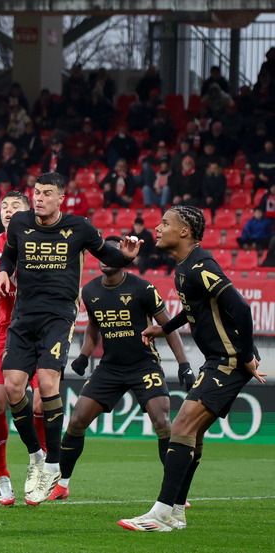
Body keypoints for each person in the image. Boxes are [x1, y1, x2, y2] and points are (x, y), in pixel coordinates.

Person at [0, 171, 142, 505]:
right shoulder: (20, 224)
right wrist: (3, 270)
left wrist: (126, 256)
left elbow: (108, 256)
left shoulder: (80, 227)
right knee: (13, 385)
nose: (39, 198)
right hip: (23, 315)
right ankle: (36, 458)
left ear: (61, 197)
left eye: (46, 193)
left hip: (58, 315)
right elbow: (9, 255)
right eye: (36, 192)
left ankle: (55, 464)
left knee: (46, 383)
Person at [119, 206, 266, 532]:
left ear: (185, 231)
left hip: (228, 361)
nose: (157, 228)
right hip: (219, 360)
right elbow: (193, 309)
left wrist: (243, 356)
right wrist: (164, 327)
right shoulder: (184, 268)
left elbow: (240, 307)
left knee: (182, 424)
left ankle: (160, 513)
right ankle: (175, 515)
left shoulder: (201, 266)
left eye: (166, 223)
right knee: (193, 435)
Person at [49, 236, 190, 502]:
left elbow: (167, 327)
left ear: (123, 258)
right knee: (77, 420)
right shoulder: (89, 291)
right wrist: (83, 355)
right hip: (110, 367)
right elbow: (93, 325)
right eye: (103, 252)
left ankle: (176, 490)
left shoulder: (143, 288)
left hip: (143, 364)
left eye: (113, 252)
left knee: (162, 422)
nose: (106, 257)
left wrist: (183, 364)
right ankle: (63, 484)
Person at [0, 190, 32, 506]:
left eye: (16, 206)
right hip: (3, 331)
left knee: (39, 404)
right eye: (4, 206)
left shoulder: (42, 242)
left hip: (38, 331)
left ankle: (42, 466)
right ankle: (2, 476)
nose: (9, 210)